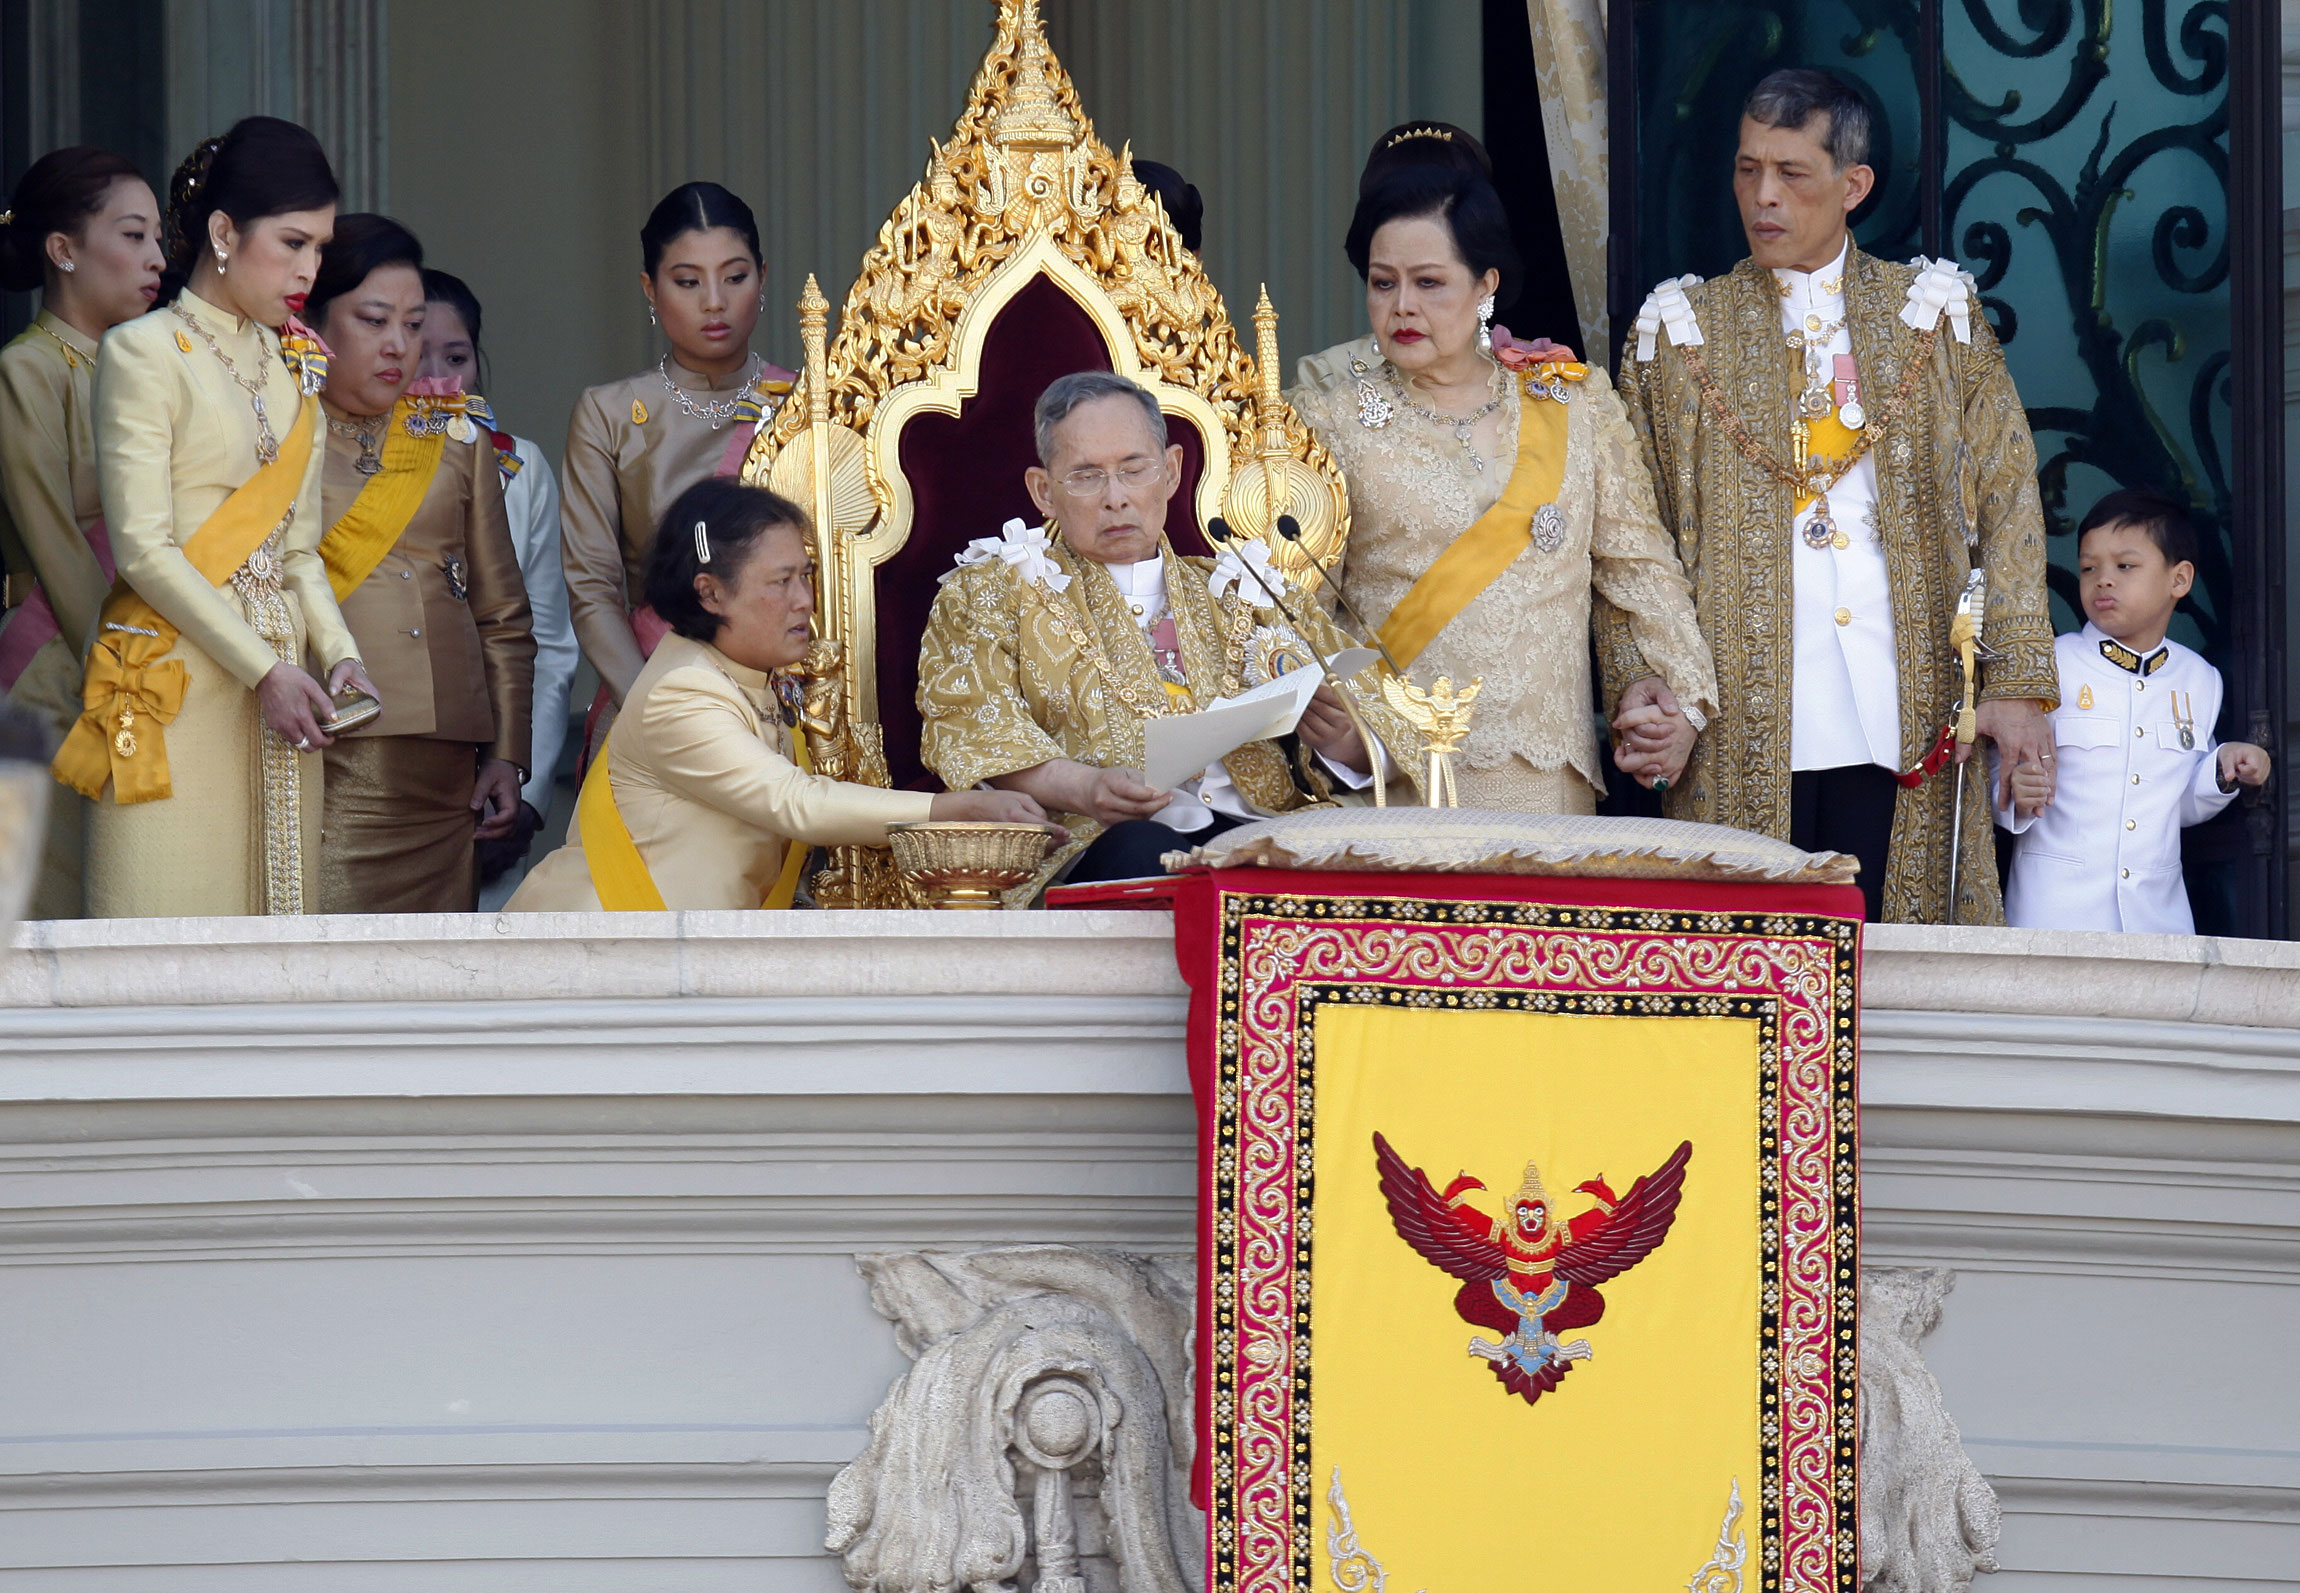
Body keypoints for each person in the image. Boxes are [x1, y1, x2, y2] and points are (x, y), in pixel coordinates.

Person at [1614, 68, 2058, 923]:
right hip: (1738, 719)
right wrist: (1645, 684)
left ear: (1854, 185)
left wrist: (2016, 679)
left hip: (1906, 706)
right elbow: (1635, 541)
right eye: (1748, 171)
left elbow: (2008, 497)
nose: (1764, 196)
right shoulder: (1677, 332)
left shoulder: (1933, 313)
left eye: (1792, 173)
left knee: (1902, 990)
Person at [1288, 161, 1717, 812]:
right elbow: (1289, 609)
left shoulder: (1575, 406)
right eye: (1383, 283)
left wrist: (1685, 701)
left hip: (1546, 780)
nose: (1403, 305)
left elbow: (1643, 573)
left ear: (1485, 284)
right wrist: (1335, 725)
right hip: (1389, 779)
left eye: (1429, 282)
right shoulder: (1323, 422)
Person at [917, 371, 1411, 893]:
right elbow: (972, 730)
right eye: (1086, 476)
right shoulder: (992, 593)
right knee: (1144, 851)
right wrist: (1085, 787)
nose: (1116, 498)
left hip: (1265, 834)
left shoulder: (1248, 589)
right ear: (1043, 491)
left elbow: (1382, 716)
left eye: (1134, 469)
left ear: (1172, 471)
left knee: (1352, 851)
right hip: (1099, 842)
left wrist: (1348, 744)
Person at [53, 117, 373, 918]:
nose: (310, 269)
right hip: (178, 681)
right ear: (224, 232)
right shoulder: (144, 351)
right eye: (293, 243)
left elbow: (299, 556)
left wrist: (338, 655)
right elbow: (144, 551)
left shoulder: (295, 372)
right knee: (160, 940)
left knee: (269, 961)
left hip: (286, 690)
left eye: (322, 248)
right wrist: (263, 669)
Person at [511, 480, 1043, 911]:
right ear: (711, 592)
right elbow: (797, 803)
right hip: (602, 954)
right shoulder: (683, 692)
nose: (804, 601)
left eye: (806, 576)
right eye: (781, 581)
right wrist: (957, 808)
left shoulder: (750, 674)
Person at [306, 216, 534, 914]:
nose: (399, 347)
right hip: (332, 758)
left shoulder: (457, 436)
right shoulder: (280, 432)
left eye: (412, 323)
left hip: (448, 776)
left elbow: (503, 613)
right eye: (374, 320)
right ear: (313, 323)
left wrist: (507, 753)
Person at [560, 182, 795, 763]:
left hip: (788, 708)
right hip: (651, 693)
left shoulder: (807, 403)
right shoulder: (609, 413)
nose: (714, 302)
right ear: (650, 288)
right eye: (688, 282)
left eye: (735, 277)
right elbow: (593, 588)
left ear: (762, 278)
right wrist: (656, 708)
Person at [0, 147, 165, 917]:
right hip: (63, 660)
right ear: (62, 250)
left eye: (158, 238)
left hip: (140, 660)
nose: (156, 259)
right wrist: (118, 656)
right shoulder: (27, 370)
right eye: (133, 236)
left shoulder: (152, 369)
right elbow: (55, 536)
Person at [1998, 490, 2271, 934]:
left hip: (2157, 918)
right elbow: (1994, 771)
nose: (2103, 580)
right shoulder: (2049, 664)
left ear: (2179, 580)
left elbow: (2176, 805)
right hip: (2053, 913)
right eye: (2089, 568)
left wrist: (2221, 772)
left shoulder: (2200, 679)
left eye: (2125, 566)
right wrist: (2012, 790)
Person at [418, 267, 578, 894]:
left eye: (455, 357)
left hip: (492, 765)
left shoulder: (519, 467)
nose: (436, 377)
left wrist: (528, 785)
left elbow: (546, 640)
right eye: (413, 350)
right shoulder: (339, 457)